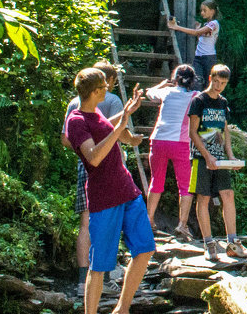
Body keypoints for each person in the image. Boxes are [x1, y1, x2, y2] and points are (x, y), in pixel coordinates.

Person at [64, 69, 155, 314]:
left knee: (145, 249)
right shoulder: (76, 121)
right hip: (104, 198)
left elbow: (107, 126)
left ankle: (122, 308)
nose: (107, 89)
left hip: (127, 190)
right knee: (100, 265)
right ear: (95, 91)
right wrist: (121, 127)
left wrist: (125, 114)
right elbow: (93, 157)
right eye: (104, 86)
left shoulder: (96, 114)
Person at [62, 61, 133, 298]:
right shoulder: (109, 100)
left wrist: (83, 147)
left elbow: (65, 139)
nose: (106, 88)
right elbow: (119, 134)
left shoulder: (75, 103)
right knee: (108, 222)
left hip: (84, 167)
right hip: (107, 168)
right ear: (108, 81)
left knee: (86, 222)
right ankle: (105, 276)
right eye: (105, 84)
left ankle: (84, 279)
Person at [187, 64, 247, 261]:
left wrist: (230, 156)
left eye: (223, 83)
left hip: (220, 158)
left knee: (228, 194)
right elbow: (192, 132)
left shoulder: (223, 102)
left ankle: (233, 243)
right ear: (210, 78)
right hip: (201, 157)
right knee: (203, 198)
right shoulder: (198, 101)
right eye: (216, 81)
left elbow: (225, 131)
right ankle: (209, 244)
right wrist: (207, 156)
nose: (219, 86)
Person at [145, 64, 198, 239]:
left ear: (174, 79)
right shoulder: (194, 96)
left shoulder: (166, 92)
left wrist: (162, 85)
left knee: (156, 181)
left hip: (159, 139)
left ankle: (149, 219)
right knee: (185, 185)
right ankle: (182, 224)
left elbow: (149, 93)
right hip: (180, 143)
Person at [169, 0, 220, 85]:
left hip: (209, 57)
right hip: (198, 56)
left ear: (212, 11)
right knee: (196, 82)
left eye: (205, 10)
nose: (202, 13)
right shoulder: (206, 24)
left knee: (209, 83)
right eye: (201, 10)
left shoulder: (214, 24)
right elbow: (200, 37)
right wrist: (198, 29)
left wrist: (177, 27)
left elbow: (196, 33)